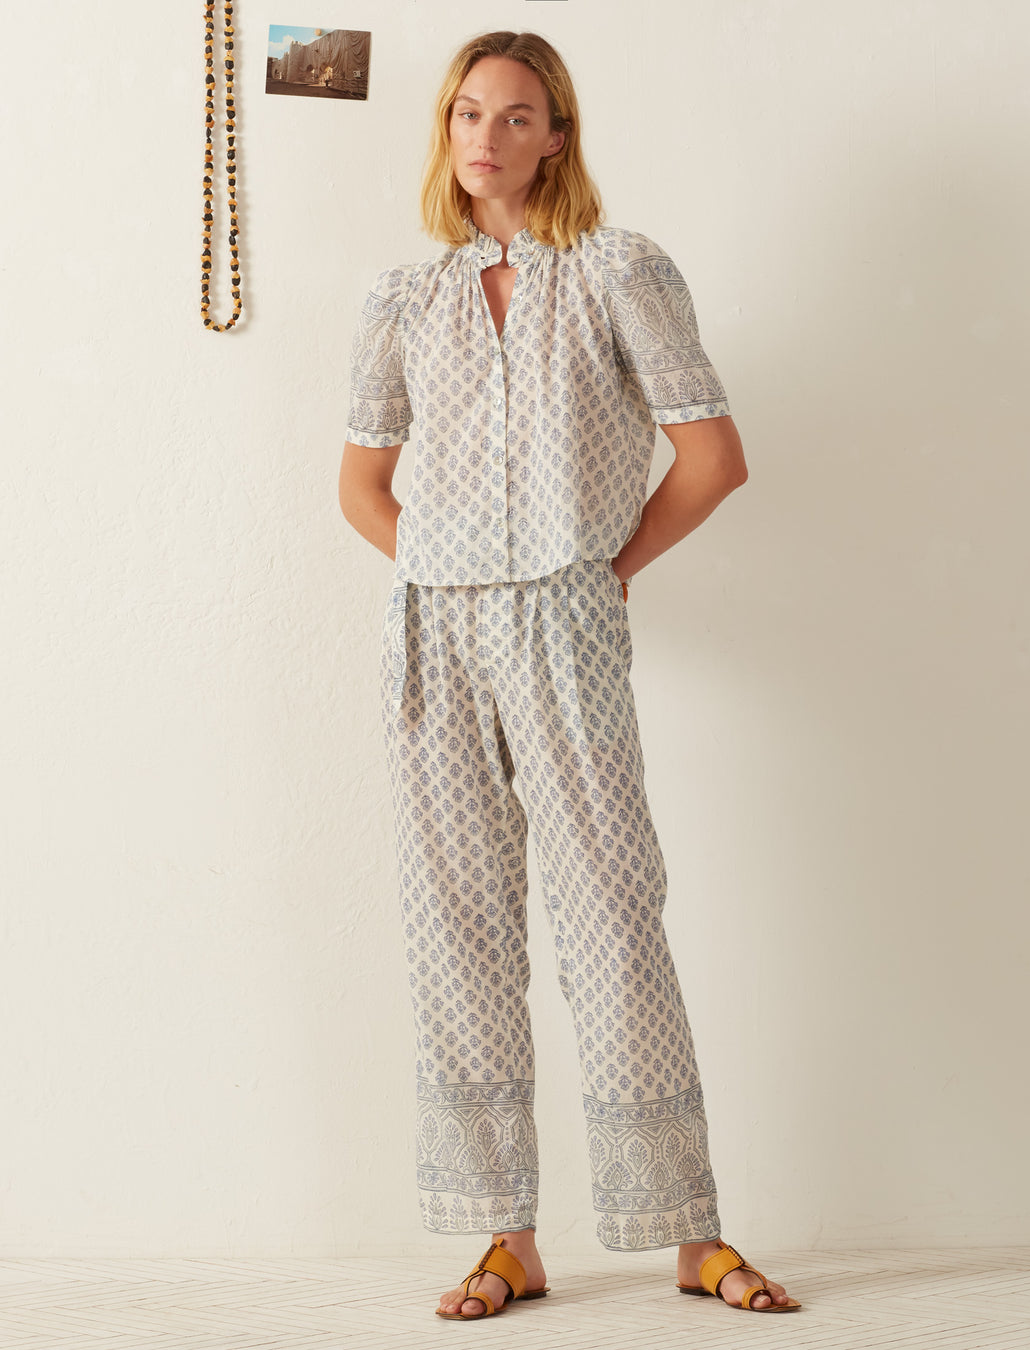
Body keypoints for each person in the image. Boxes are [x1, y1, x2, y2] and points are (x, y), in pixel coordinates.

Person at [338, 29, 800, 1320]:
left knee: (611, 915)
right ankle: (508, 1237)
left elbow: (712, 455)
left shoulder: (616, 273)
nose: (486, 135)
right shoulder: (405, 299)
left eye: (517, 114)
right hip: (432, 633)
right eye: (466, 112)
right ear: (447, 134)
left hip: (565, 620)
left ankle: (691, 1230)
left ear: (558, 134)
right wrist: (439, 563)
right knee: (459, 928)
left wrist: (607, 569)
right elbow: (361, 486)